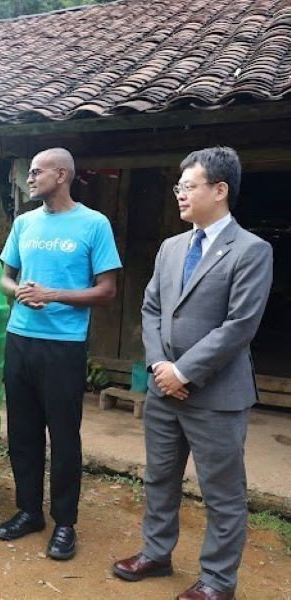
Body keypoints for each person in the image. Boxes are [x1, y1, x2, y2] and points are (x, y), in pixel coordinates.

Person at [113, 147, 273, 600]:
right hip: (164, 391)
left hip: (216, 396)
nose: (180, 194)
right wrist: (160, 366)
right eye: (178, 187)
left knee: (222, 493)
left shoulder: (251, 250)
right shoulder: (171, 247)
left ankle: (218, 581)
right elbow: (151, 308)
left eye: (189, 186)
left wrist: (183, 371)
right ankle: (156, 553)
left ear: (219, 190)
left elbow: (240, 325)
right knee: (159, 477)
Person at [0, 148, 122, 560]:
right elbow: (5, 277)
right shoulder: (24, 223)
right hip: (19, 338)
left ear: (62, 175)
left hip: (64, 344)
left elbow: (107, 290)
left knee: (64, 436)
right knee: (22, 432)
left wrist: (52, 295)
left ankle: (65, 523)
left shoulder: (94, 224)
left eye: (36, 172)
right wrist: (19, 292)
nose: (29, 178)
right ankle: (29, 512)